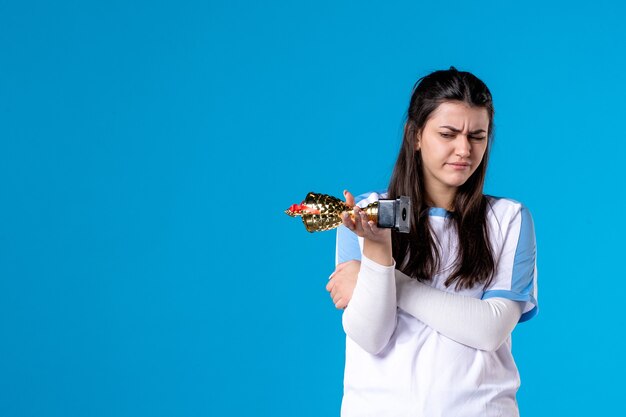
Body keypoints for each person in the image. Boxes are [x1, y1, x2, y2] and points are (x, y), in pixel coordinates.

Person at [325, 67, 538, 417]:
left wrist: (384, 277)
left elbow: (489, 329)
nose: (463, 149)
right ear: (416, 135)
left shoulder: (507, 218)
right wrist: (378, 249)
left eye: (477, 136)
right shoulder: (368, 214)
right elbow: (370, 336)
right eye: (448, 133)